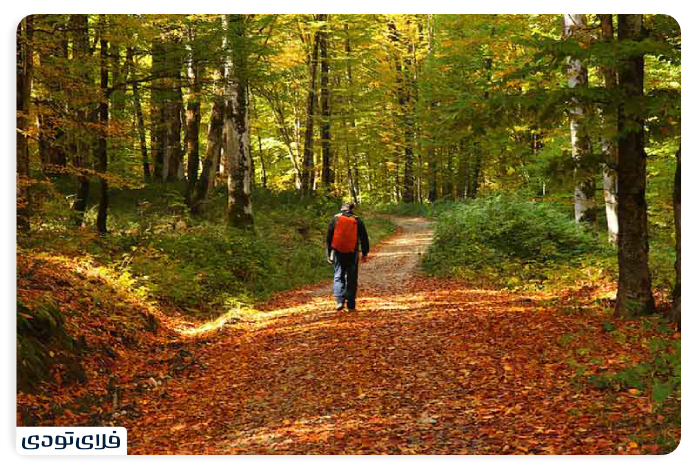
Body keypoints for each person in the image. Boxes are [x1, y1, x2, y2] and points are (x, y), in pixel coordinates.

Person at [326, 202, 369, 312]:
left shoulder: (335, 219)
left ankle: (340, 301)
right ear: (352, 209)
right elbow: (364, 237)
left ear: (342, 208)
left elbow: (329, 238)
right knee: (351, 277)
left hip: (338, 252)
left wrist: (329, 253)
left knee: (338, 275)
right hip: (352, 252)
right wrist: (364, 253)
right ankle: (351, 305)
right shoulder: (357, 220)